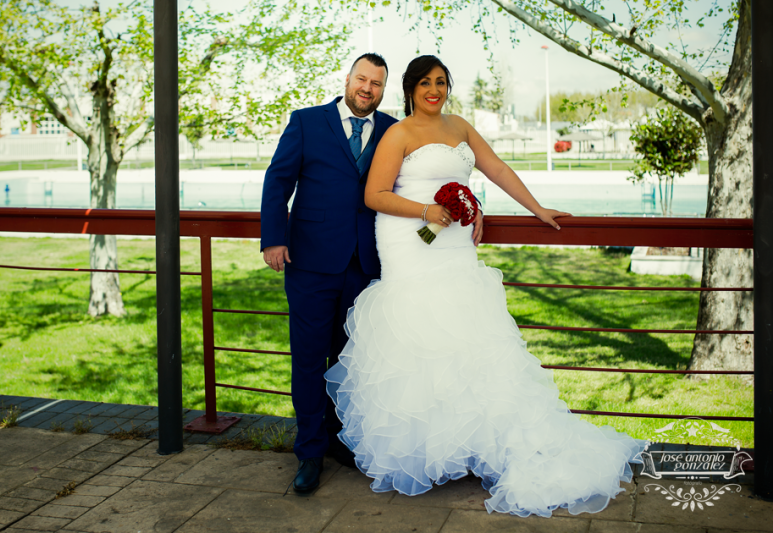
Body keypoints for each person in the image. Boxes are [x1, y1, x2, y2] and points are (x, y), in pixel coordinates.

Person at [325, 55, 647, 518]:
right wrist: (427, 211)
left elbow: (496, 169)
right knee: (424, 334)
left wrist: (536, 209)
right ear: (411, 89)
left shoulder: (460, 127)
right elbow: (374, 194)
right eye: (425, 83)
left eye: (441, 82)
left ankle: (471, 443)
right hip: (410, 242)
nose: (434, 90)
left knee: (468, 333)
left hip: (455, 242)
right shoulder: (399, 133)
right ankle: (428, 449)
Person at [260, 53, 484, 495]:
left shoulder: (392, 129)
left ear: (384, 90)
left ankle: (341, 439)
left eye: (376, 83)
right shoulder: (306, 122)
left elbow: (424, 180)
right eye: (361, 79)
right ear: (348, 80)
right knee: (309, 359)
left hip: (367, 264)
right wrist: (273, 238)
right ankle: (309, 451)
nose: (367, 88)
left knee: (352, 360)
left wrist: (472, 206)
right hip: (310, 260)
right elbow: (278, 180)